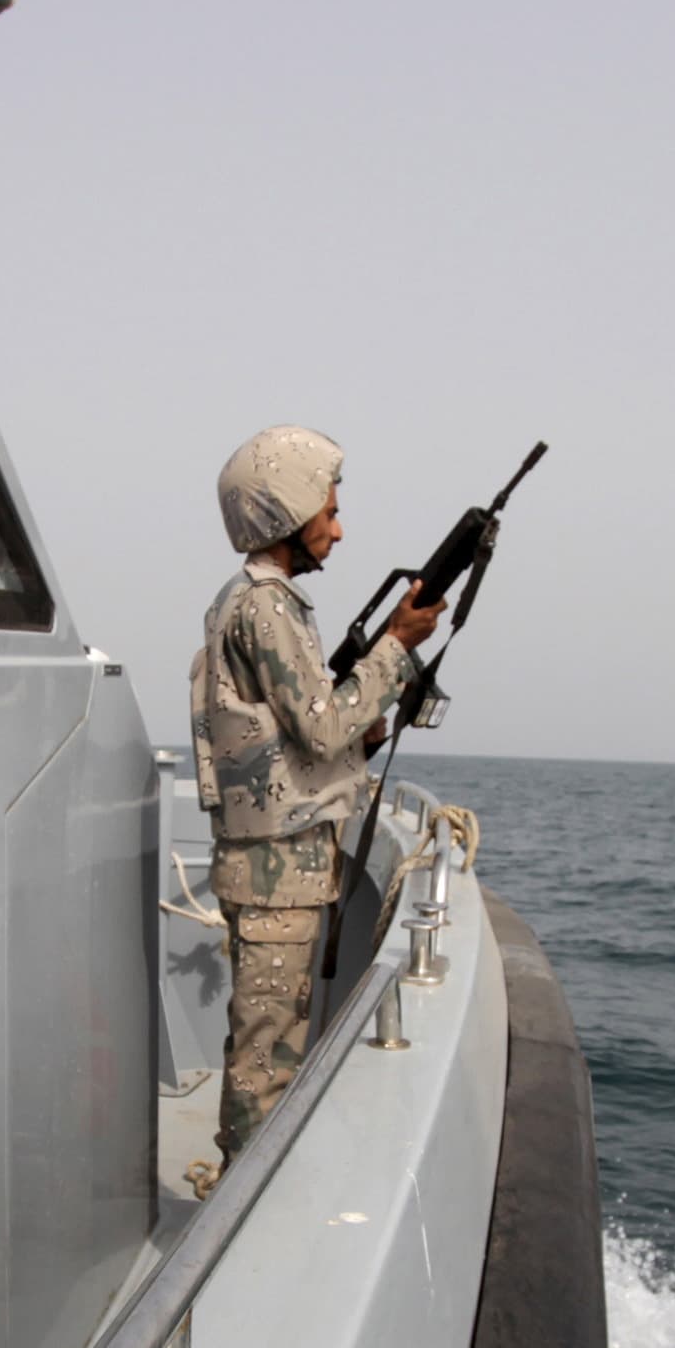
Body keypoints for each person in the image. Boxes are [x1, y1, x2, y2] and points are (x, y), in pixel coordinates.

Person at [190, 425, 444, 1162]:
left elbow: (295, 734)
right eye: (327, 510)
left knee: (270, 1042)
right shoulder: (265, 607)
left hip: (279, 870)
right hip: (276, 876)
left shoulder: (255, 603)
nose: (338, 526)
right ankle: (240, 1215)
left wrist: (357, 730)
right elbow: (323, 726)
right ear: (286, 512)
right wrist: (396, 644)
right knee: (267, 1058)